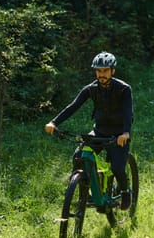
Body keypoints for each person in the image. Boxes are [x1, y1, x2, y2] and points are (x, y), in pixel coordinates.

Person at [44, 51, 133, 210]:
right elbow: (73, 106)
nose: (102, 74)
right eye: (98, 71)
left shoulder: (124, 89)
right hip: (99, 132)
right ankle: (85, 191)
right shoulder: (91, 89)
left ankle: (125, 191)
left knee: (117, 168)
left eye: (105, 70)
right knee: (79, 156)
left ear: (113, 71)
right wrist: (54, 122)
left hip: (119, 134)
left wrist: (125, 132)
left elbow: (127, 113)